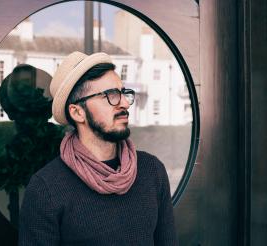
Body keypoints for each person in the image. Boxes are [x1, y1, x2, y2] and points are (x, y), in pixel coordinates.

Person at [19, 51, 178, 246]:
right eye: (111, 95)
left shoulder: (151, 171)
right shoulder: (46, 189)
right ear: (77, 112)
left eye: (123, 93)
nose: (125, 103)